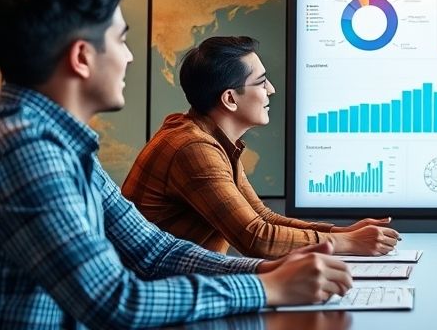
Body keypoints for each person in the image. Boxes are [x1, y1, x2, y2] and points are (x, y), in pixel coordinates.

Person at [0, 0, 351, 328]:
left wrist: (265, 271)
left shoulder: (65, 146)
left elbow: (154, 251)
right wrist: (266, 288)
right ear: (82, 57)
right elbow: (115, 301)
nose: (129, 57)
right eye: (121, 40)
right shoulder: (27, 149)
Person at [123, 36, 400, 259]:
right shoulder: (193, 148)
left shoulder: (209, 138)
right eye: (261, 82)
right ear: (230, 99)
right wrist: (347, 243)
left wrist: (342, 233)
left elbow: (262, 217)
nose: (271, 90)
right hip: (166, 295)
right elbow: (256, 239)